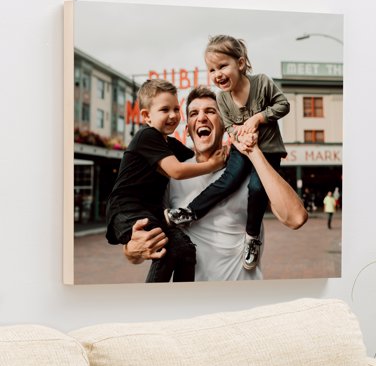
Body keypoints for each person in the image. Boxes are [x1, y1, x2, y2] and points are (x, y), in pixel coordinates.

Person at [124, 86, 307, 281]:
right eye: (194, 113)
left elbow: (295, 218)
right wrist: (132, 250)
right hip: (192, 303)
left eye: (211, 111)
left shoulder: (248, 170)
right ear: (187, 131)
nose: (202, 118)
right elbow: (140, 243)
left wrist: (253, 152)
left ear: (225, 124)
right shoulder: (171, 176)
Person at [164, 35, 290, 271]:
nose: (217, 74)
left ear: (240, 64)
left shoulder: (262, 83)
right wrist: (237, 138)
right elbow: (230, 126)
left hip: (268, 151)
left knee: (255, 188)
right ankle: (190, 211)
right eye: (212, 69)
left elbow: (283, 105)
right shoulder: (222, 98)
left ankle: (252, 237)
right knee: (227, 181)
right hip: (242, 148)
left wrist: (258, 118)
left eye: (223, 66)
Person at [105, 79, 225, 283]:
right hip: (127, 209)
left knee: (185, 249)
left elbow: (194, 157)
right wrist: (213, 165)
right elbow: (177, 171)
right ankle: (151, 299)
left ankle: (183, 297)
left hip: (147, 211)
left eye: (176, 109)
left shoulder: (169, 144)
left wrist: (226, 155)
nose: (173, 115)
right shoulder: (147, 136)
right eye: (164, 110)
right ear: (146, 116)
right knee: (170, 247)